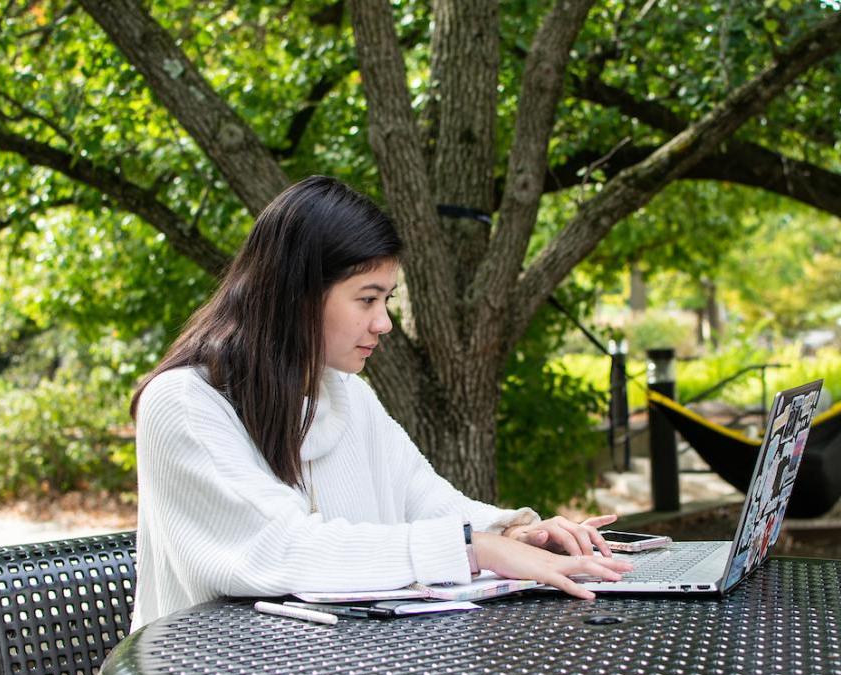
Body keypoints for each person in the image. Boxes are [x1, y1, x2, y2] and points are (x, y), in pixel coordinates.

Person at [129, 176, 631, 629]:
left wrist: (515, 533)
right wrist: (472, 549)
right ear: (298, 294)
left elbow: (424, 498)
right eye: (367, 299)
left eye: (386, 300)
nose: (384, 323)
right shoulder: (185, 404)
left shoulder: (346, 392)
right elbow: (281, 548)